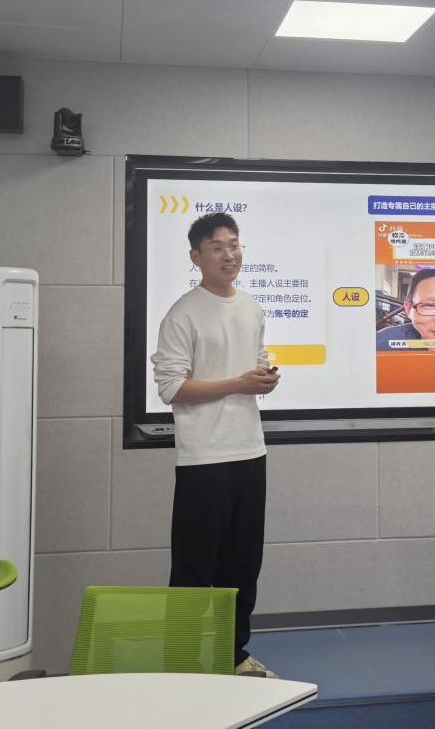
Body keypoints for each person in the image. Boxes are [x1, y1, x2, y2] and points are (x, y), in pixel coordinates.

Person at [150, 212, 280, 678]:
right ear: (196, 256)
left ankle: (233, 655)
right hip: (204, 458)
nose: (230, 254)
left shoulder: (252, 308)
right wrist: (236, 384)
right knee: (194, 569)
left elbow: (256, 363)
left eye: (235, 244)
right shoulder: (183, 313)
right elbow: (171, 388)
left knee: (243, 566)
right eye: (218, 247)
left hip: (250, 451)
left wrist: (262, 379)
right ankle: (182, 661)